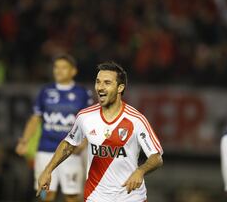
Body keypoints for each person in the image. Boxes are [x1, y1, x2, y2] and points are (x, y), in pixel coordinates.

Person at [37, 61, 163, 202]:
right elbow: (69, 144)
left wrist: (140, 171)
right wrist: (48, 170)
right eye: (98, 82)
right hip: (95, 196)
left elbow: (156, 157)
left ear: (120, 87)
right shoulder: (85, 116)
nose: (100, 88)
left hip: (131, 197)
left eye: (107, 83)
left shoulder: (136, 120)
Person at [16, 54, 93, 202]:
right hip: (46, 149)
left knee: (71, 196)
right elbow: (35, 119)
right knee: (46, 193)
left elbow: (89, 123)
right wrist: (24, 140)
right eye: (56, 67)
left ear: (73, 71)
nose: (58, 71)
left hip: (70, 151)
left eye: (63, 67)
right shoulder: (45, 92)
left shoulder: (82, 93)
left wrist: (83, 143)